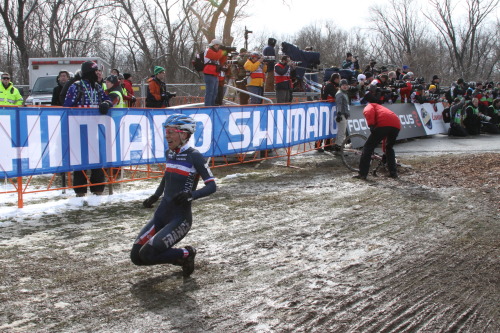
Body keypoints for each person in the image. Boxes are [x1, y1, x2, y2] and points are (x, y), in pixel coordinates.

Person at [131, 114, 216, 277]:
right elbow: (167, 176)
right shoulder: (169, 153)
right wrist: (155, 196)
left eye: (171, 132)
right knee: (136, 257)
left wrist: (191, 195)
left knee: (147, 254)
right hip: (162, 213)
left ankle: (187, 253)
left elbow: (212, 186)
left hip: (180, 218)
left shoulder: (194, 156)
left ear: (183, 134)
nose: (167, 135)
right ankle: (179, 259)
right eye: (166, 131)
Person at [63, 61, 112, 196]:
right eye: (95, 71)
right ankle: (80, 191)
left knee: (97, 161)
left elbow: (108, 99)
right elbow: (66, 107)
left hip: (95, 131)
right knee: (80, 162)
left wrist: (106, 103)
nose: (98, 74)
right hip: (78, 131)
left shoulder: (97, 87)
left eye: (98, 71)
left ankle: (98, 189)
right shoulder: (76, 87)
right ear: (89, 72)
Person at [354, 103, 401, 180]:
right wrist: (384, 151)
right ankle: (393, 173)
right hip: (396, 124)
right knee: (389, 148)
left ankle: (362, 174)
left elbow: (368, 111)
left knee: (368, 147)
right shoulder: (382, 108)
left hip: (383, 124)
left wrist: (371, 125)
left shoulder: (369, 106)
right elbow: (384, 139)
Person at [203, 39, 224, 106]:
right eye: (216, 45)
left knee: (215, 92)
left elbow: (222, 59)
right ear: (213, 45)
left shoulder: (217, 52)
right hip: (209, 74)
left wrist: (225, 52)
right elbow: (216, 56)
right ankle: (208, 106)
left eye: (219, 45)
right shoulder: (208, 50)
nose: (218, 47)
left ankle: (212, 105)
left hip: (215, 74)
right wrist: (222, 51)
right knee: (210, 92)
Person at [334, 79, 351, 152]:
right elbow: (339, 104)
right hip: (342, 115)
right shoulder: (340, 93)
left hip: (345, 114)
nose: (345, 86)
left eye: (346, 85)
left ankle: (339, 146)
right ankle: (338, 147)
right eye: (343, 85)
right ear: (340, 86)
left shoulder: (345, 93)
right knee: (341, 132)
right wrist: (339, 114)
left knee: (342, 132)